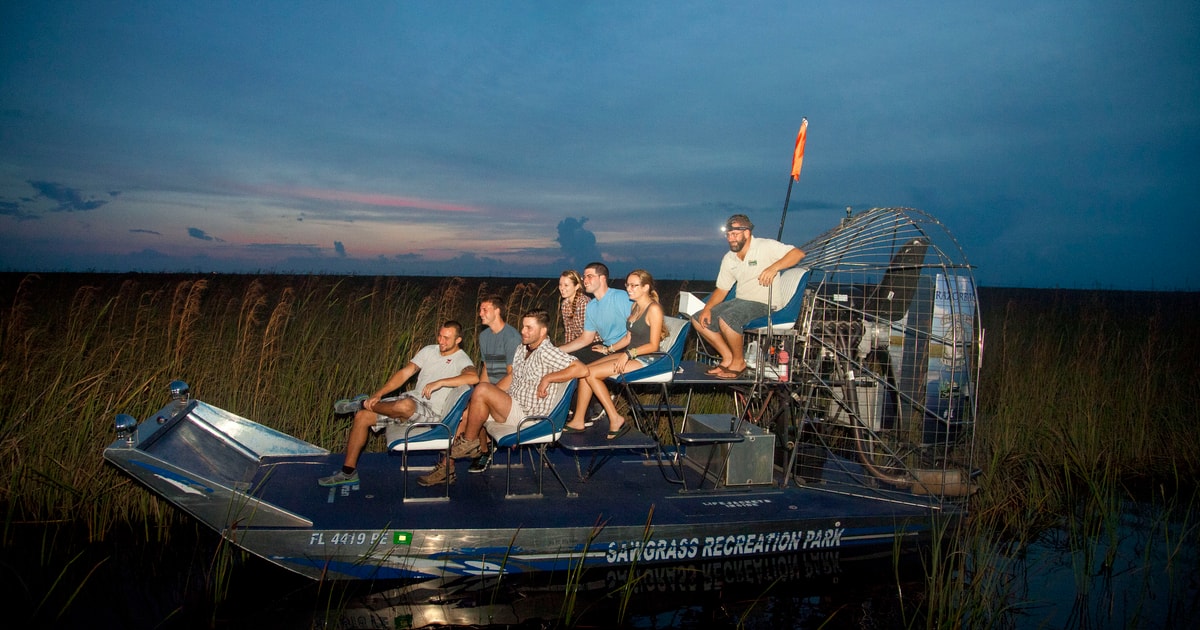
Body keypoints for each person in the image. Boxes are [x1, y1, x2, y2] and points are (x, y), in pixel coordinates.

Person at [419, 309, 582, 486]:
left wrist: (548, 378)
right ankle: (446, 469)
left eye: (529, 328)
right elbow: (512, 378)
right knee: (465, 414)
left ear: (543, 331)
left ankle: (471, 443)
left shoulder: (548, 352)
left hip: (528, 417)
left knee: (481, 391)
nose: (523, 331)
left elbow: (581, 369)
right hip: (512, 405)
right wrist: (487, 394)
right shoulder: (522, 348)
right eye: (523, 327)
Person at [319, 320, 477, 487]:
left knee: (405, 405)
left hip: (432, 414)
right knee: (362, 417)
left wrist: (441, 382)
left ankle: (363, 403)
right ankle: (348, 472)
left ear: (458, 340)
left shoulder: (461, 359)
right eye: (439, 335)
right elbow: (405, 373)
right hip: (412, 401)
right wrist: (378, 394)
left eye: (446, 338)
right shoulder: (429, 350)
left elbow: (474, 377)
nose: (441, 341)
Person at [693, 214, 806, 379]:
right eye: (729, 235)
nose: (731, 238)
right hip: (740, 302)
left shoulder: (765, 246)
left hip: (765, 304)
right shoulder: (729, 258)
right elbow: (722, 289)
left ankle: (739, 363)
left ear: (746, 233)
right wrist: (707, 308)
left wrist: (774, 268)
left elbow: (798, 254)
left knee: (728, 317)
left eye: (735, 234)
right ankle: (728, 358)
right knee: (698, 319)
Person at [562, 269, 664, 439]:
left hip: (647, 359)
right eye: (627, 285)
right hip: (633, 354)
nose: (629, 289)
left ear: (646, 287)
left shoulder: (654, 309)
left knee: (592, 375)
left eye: (634, 285)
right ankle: (579, 420)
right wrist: (609, 349)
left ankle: (615, 419)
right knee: (584, 370)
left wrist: (628, 354)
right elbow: (628, 338)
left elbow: (653, 345)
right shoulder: (635, 306)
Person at [557, 262, 629, 423]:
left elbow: (636, 326)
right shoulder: (593, 306)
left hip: (622, 348)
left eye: (589, 276)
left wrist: (611, 349)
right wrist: (558, 350)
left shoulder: (620, 296)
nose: (585, 280)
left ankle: (586, 412)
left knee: (578, 366)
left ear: (602, 278)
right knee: (568, 360)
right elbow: (585, 338)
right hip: (605, 347)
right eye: (584, 277)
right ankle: (575, 412)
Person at [477, 294, 522, 385]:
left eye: (485, 310)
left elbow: (512, 375)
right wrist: (481, 389)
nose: (480, 314)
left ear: (497, 311)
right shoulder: (484, 336)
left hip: (509, 387)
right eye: (480, 310)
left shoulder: (511, 338)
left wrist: (491, 393)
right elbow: (486, 369)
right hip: (491, 387)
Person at [558, 269, 589, 345]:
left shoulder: (584, 302)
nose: (562, 288)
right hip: (579, 343)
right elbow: (569, 332)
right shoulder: (565, 304)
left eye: (566, 285)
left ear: (577, 286)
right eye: (560, 284)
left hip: (593, 343)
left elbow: (587, 335)